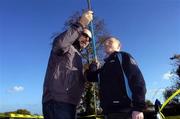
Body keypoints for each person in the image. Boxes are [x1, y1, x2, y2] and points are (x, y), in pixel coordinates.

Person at [42, 10, 93, 119]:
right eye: (84, 35)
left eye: (90, 39)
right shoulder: (66, 46)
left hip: (71, 103)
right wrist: (81, 23)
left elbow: (79, 80)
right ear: (78, 34)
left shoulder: (78, 56)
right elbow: (60, 45)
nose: (87, 39)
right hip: (57, 101)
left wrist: (91, 71)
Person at [86, 37, 146, 119]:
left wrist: (138, 108)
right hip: (108, 113)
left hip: (127, 112)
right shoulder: (104, 68)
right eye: (105, 43)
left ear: (119, 46)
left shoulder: (123, 57)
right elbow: (91, 77)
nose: (107, 44)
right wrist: (93, 65)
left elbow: (137, 81)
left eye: (110, 41)